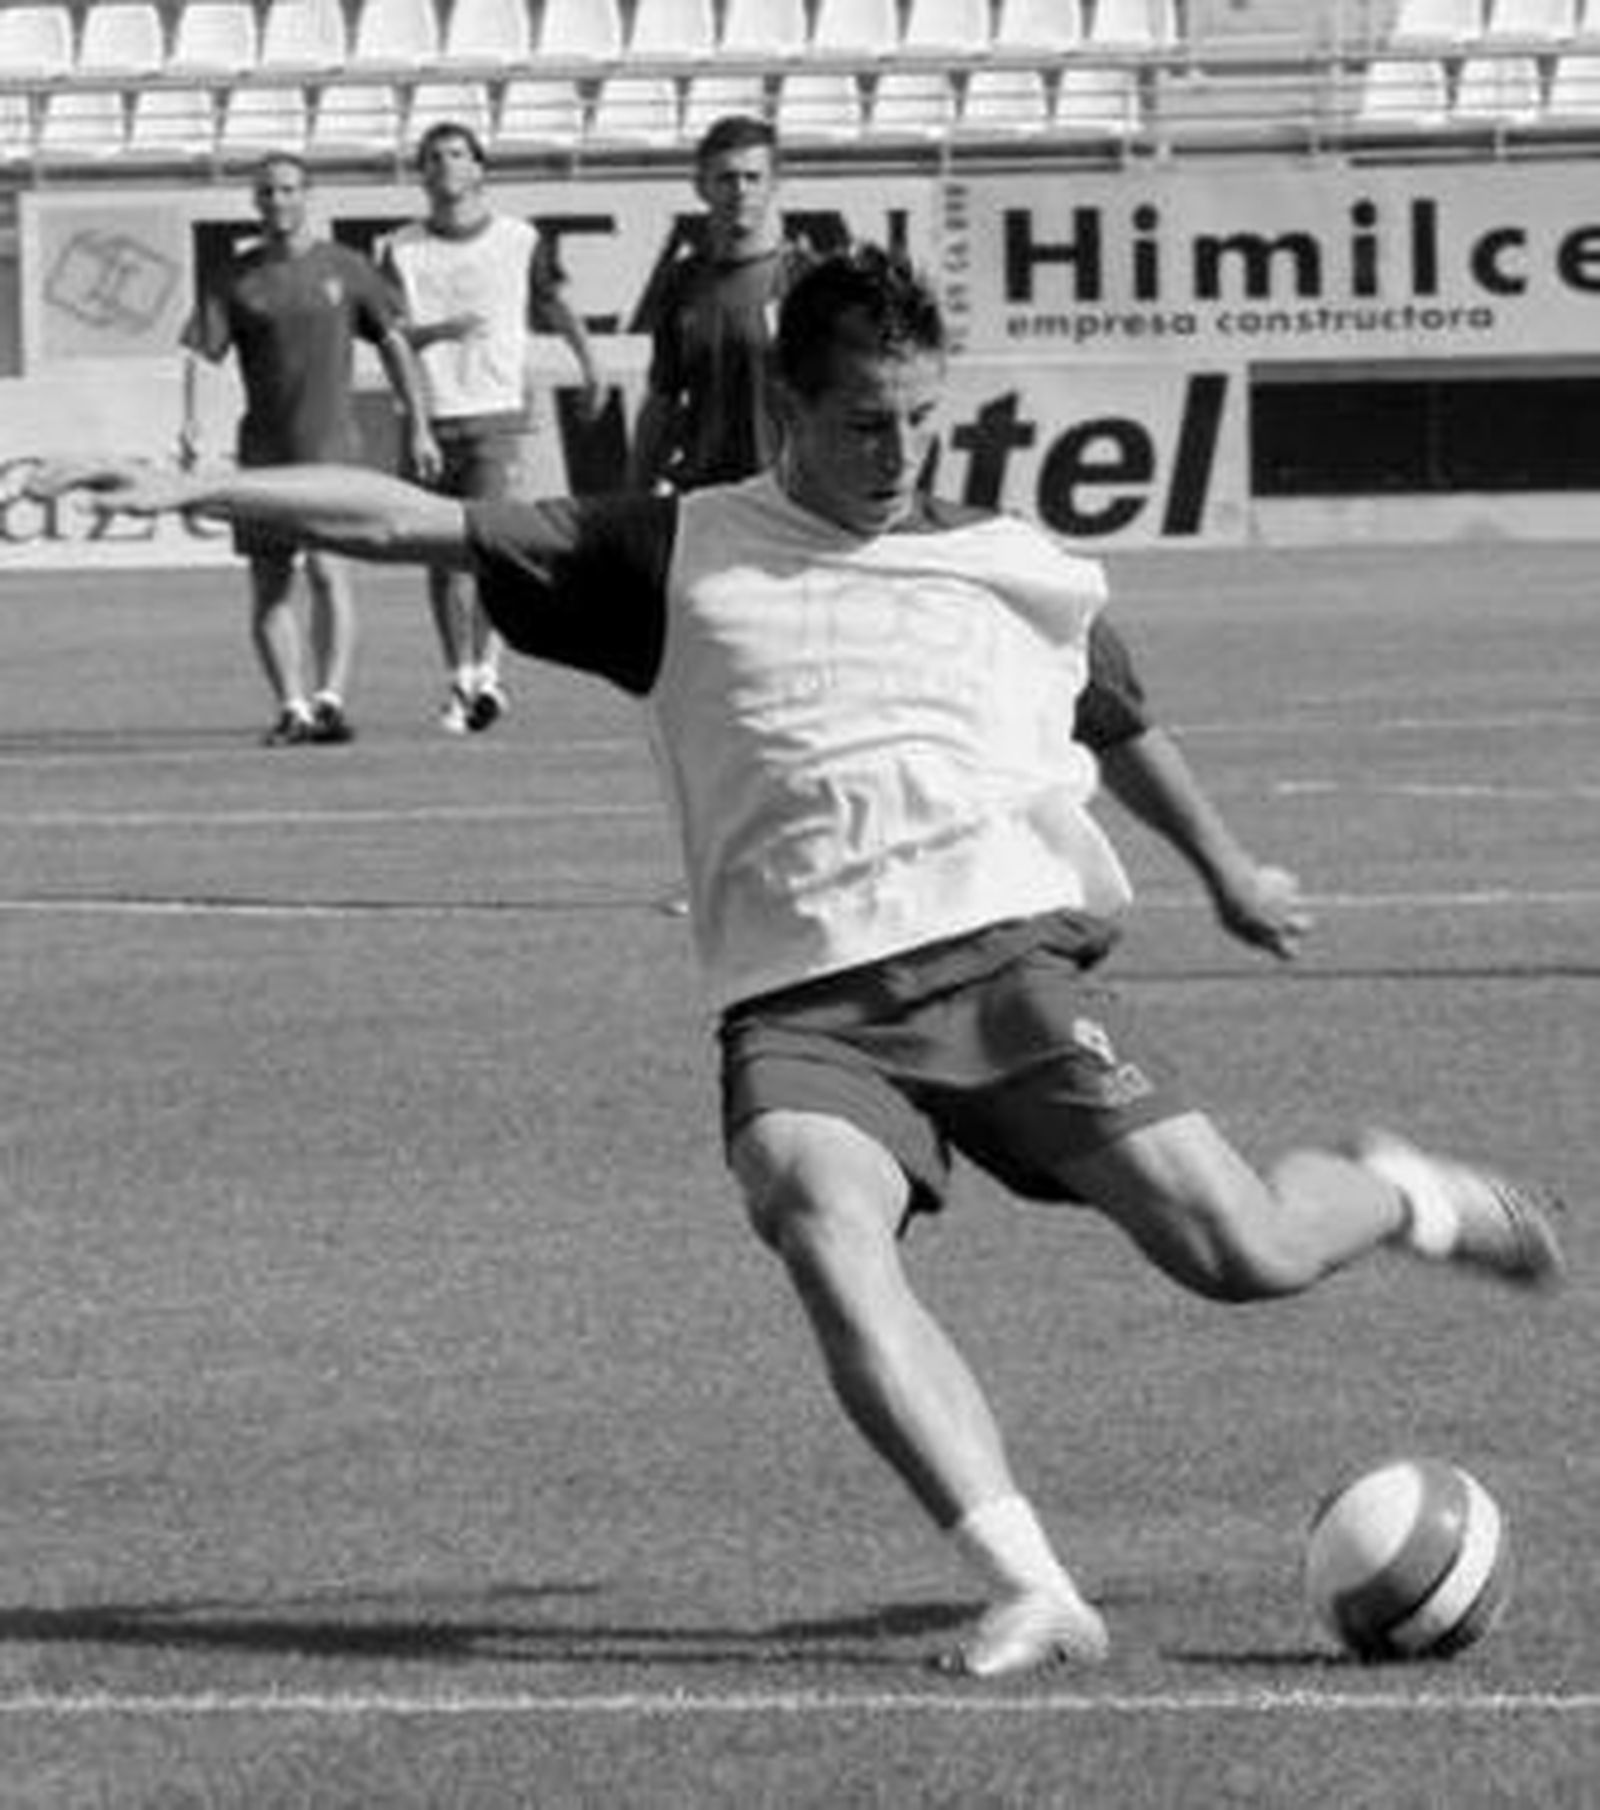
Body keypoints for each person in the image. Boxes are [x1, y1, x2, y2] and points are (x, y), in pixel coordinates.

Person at [36, 246, 1565, 1680]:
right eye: (862, 421)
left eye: (920, 417)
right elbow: (397, 520)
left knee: (1246, 1255)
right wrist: (195, 484)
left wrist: (1226, 868)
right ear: (786, 408)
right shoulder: (671, 545)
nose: (898, 451)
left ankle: (1401, 1184)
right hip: (806, 1004)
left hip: (1007, 970)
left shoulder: (1013, 561)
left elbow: (1114, 719)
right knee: (816, 1208)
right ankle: (1032, 1577)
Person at [180, 152, 434, 746]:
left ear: (308, 195)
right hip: (265, 456)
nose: (278, 201)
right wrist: (191, 424)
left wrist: (417, 420)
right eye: (267, 192)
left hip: (332, 451)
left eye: (288, 189)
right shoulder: (235, 277)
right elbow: (198, 352)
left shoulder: (345, 268)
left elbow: (393, 341)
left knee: (328, 571)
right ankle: (291, 706)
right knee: (270, 585)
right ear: (255, 201)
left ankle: (330, 700)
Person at [380, 120, 605, 734]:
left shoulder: (518, 239)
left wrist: (590, 363)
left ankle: (489, 672)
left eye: (457, 154)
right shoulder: (400, 248)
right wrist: (436, 346)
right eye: (433, 157)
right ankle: (460, 676)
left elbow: (555, 304)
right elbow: (390, 339)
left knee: (494, 550)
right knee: (442, 558)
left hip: (496, 410)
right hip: (431, 416)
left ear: (479, 169)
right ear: (421, 173)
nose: (446, 165)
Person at [629, 113, 812, 496]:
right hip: (707, 495)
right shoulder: (681, 281)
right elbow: (663, 398)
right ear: (702, 187)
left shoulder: (810, 280)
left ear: (775, 183)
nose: (740, 190)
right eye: (727, 178)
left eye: (753, 177)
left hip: (793, 497)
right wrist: (633, 497)